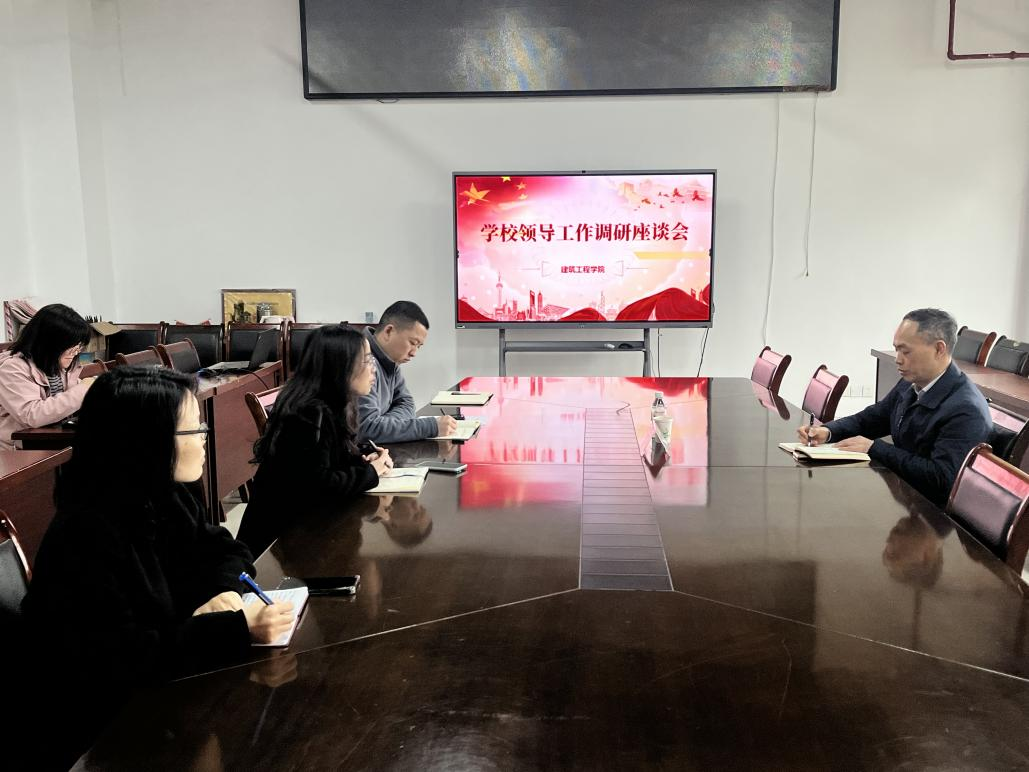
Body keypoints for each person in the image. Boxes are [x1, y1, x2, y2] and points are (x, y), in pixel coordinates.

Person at [17, 367, 294, 769]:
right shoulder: (85, 534)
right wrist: (235, 629)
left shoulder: (167, 495)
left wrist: (225, 592)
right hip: (98, 735)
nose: (205, 438)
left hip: (166, 696)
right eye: (194, 429)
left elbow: (227, 549)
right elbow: (124, 660)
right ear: (146, 441)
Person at [798, 308, 991, 507]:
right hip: (906, 496)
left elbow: (940, 479)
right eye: (896, 350)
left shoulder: (966, 410)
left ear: (939, 349)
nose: (898, 359)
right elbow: (873, 418)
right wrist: (828, 431)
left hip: (930, 514)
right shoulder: (912, 383)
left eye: (905, 351)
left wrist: (875, 448)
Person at [238, 324, 393, 556]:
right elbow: (318, 487)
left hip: (306, 531)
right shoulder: (307, 414)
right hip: (278, 545)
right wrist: (371, 472)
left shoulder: (332, 403)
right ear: (340, 365)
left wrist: (362, 459)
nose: (374, 370)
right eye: (367, 361)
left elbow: (331, 459)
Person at [0, 303, 97, 449]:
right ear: (50, 343)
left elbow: (70, 397)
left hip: (49, 440)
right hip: (19, 449)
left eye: (79, 347)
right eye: (72, 347)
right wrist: (83, 390)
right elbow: (32, 416)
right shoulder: (12, 369)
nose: (76, 352)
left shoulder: (55, 365)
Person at [357, 300, 457, 443]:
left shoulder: (390, 361)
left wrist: (385, 424)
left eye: (419, 346)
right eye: (412, 343)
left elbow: (407, 403)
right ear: (389, 331)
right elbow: (368, 429)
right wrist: (431, 426)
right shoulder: (360, 361)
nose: (414, 353)